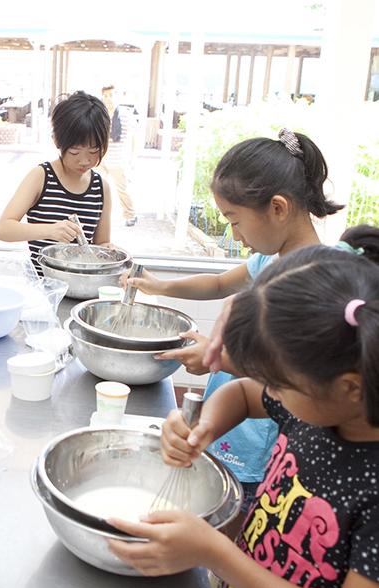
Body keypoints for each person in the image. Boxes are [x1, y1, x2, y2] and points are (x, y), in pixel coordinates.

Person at [109, 242, 379, 588]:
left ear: (351, 387)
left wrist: (217, 554)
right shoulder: (326, 408)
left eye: (278, 384)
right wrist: (207, 422)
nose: (269, 392)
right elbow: (243, 395)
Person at [123, 130, 342, 512]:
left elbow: (294, 377)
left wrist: (219, 357)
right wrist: (160, 287)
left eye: (235, 220)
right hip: (231, 420)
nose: (235, 236)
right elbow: (219, 283)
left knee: (238, 518)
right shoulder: (269, 261)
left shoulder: (314, 282)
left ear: (278, 208)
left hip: (261, 441)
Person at [0, 91, 113, 273]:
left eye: (94, 151)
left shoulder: (101, 188)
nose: (84, 160)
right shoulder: (41, 177)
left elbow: (101, 243)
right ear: (57, 141)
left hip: (82, 286)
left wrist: (111, 250)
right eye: (75, 152)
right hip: (42, 286)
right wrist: (49, 231)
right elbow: (3, 229)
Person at [100, 84, 137, 226]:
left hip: (117, 160)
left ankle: (130, 214)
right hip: (100, 159)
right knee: (97, 187)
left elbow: (134, 139)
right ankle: (97, 214)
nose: (108, 98)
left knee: (122, 189)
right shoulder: (99, 114)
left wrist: (132, 159)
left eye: (111, 95)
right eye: (106, 95)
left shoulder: (125, 115)